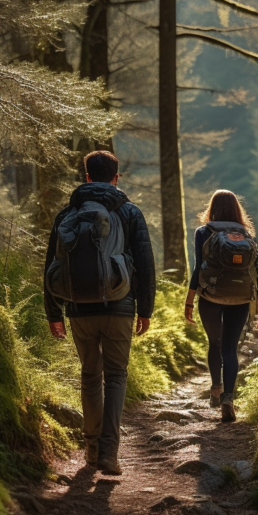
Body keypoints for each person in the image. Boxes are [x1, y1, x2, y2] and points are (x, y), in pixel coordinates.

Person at [43, 150, 155, 475]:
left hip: (78, 308)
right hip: (120, 306)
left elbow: (52, 265)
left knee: (91, 375)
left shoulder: (68, 213)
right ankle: (109, 452)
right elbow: (145, 265)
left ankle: (91, 451)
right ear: (116, 178)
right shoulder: (130, 212)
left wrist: (54, 312)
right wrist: (145, 309)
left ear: (87, 177)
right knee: (116, 375)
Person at [184, 190, 258, 423]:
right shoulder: (247, 235)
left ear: (212, 208)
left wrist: (190, 300)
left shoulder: (203, 232)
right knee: (230, 349)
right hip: (241, 298)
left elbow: (197, 269)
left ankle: (215, 389)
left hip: (210, 296)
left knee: (215, 344)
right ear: (236, 209)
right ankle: (228, 400)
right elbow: (256, 274)